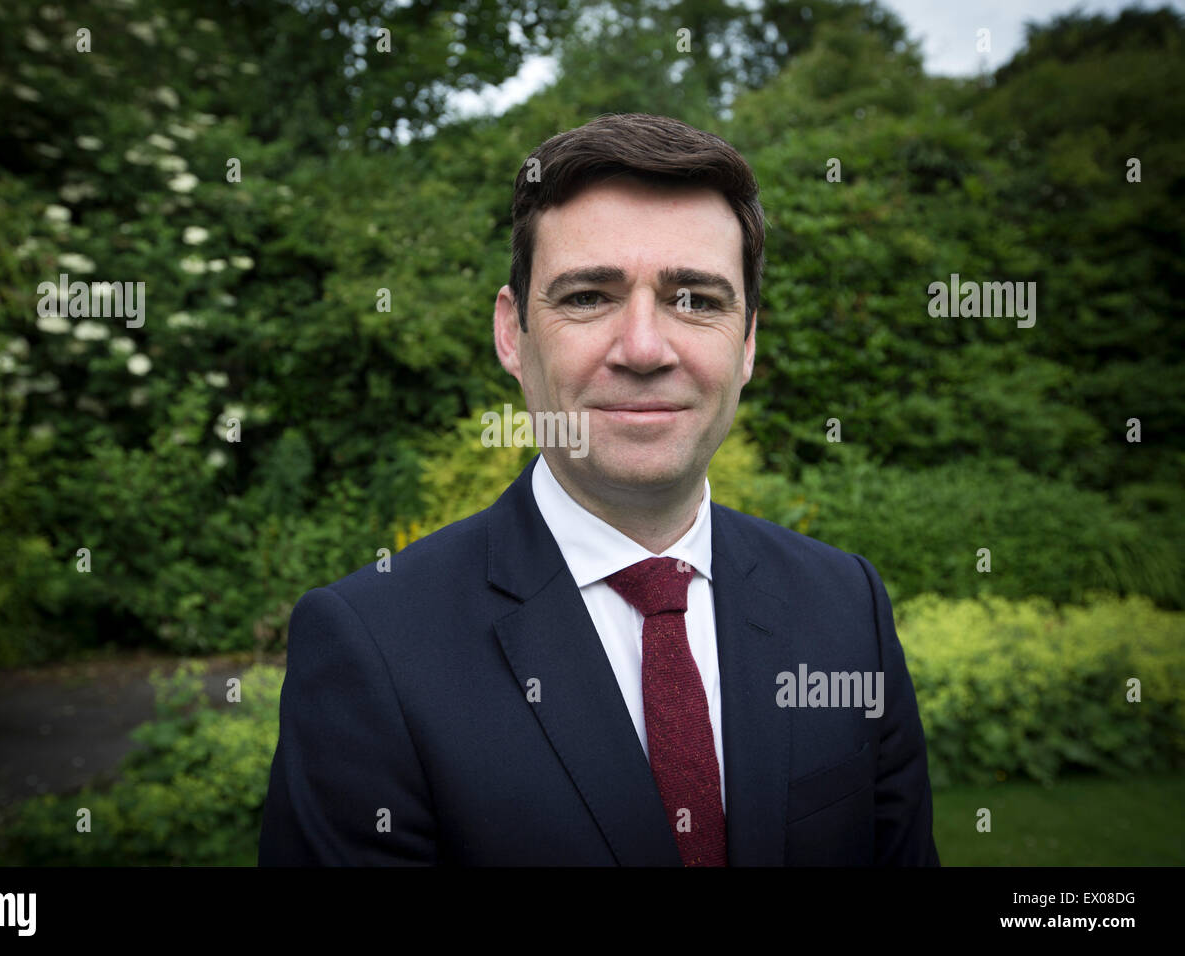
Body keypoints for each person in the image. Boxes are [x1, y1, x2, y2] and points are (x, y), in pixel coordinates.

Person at [259, 113, 939, 866]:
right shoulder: (370, 647)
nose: (645, 349)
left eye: (697, 300)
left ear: (747, 344)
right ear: (512, 334)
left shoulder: (847, 605)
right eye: (587, 296)